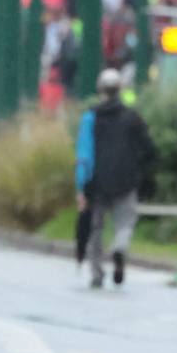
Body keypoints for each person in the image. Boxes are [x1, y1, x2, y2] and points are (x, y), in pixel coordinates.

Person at [75, 68, 157, 289]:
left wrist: (81, 187)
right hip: (126, 179)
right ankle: (119, 248)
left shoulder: (91, 117)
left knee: (96, 229)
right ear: (120, 89)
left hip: (97, 182)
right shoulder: (132, 117)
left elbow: (84, 154)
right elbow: (149, 148)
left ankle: (96, 273)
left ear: (100, 89)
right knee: (125, 223)